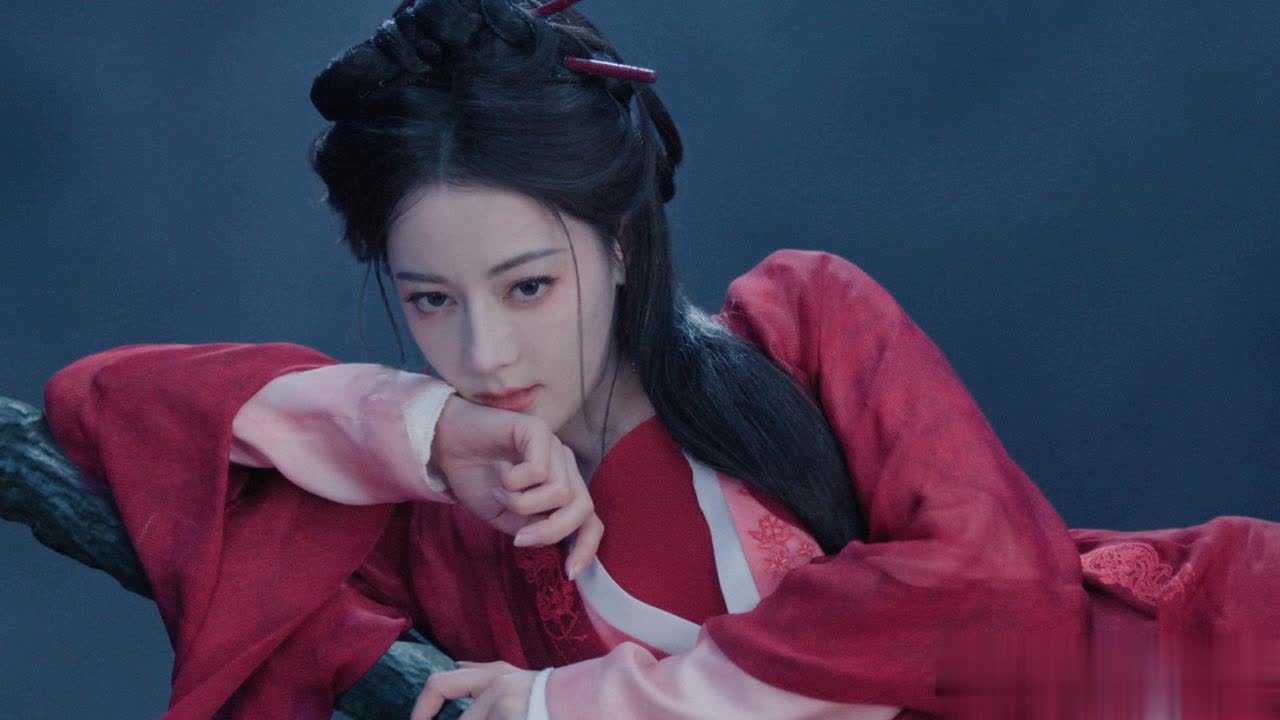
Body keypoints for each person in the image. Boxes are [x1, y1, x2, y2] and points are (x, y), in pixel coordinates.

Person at [41, 1, 1280, 719]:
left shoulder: (801, 321)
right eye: (429, 300)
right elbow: (107, 406)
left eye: (529, 285)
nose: (485, 349)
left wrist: (572, 705)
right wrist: (426, 431)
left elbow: (996, 596)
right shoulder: (447, 530)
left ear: (622, 241)